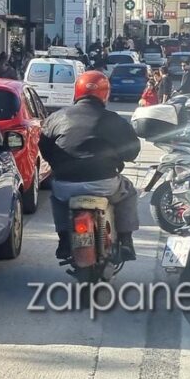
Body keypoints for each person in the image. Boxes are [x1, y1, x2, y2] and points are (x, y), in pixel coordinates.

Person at [39, 71, 141, 261]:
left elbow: (44, 147)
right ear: (105, 94)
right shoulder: (114, 119)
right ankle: (126, 242)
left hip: (65, 184)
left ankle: (63, 240)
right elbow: (132, 150)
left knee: (57, 199)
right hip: (104, 183)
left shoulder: (57, 117)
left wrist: (58, 165)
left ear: (77, 91)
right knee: (129, 192)